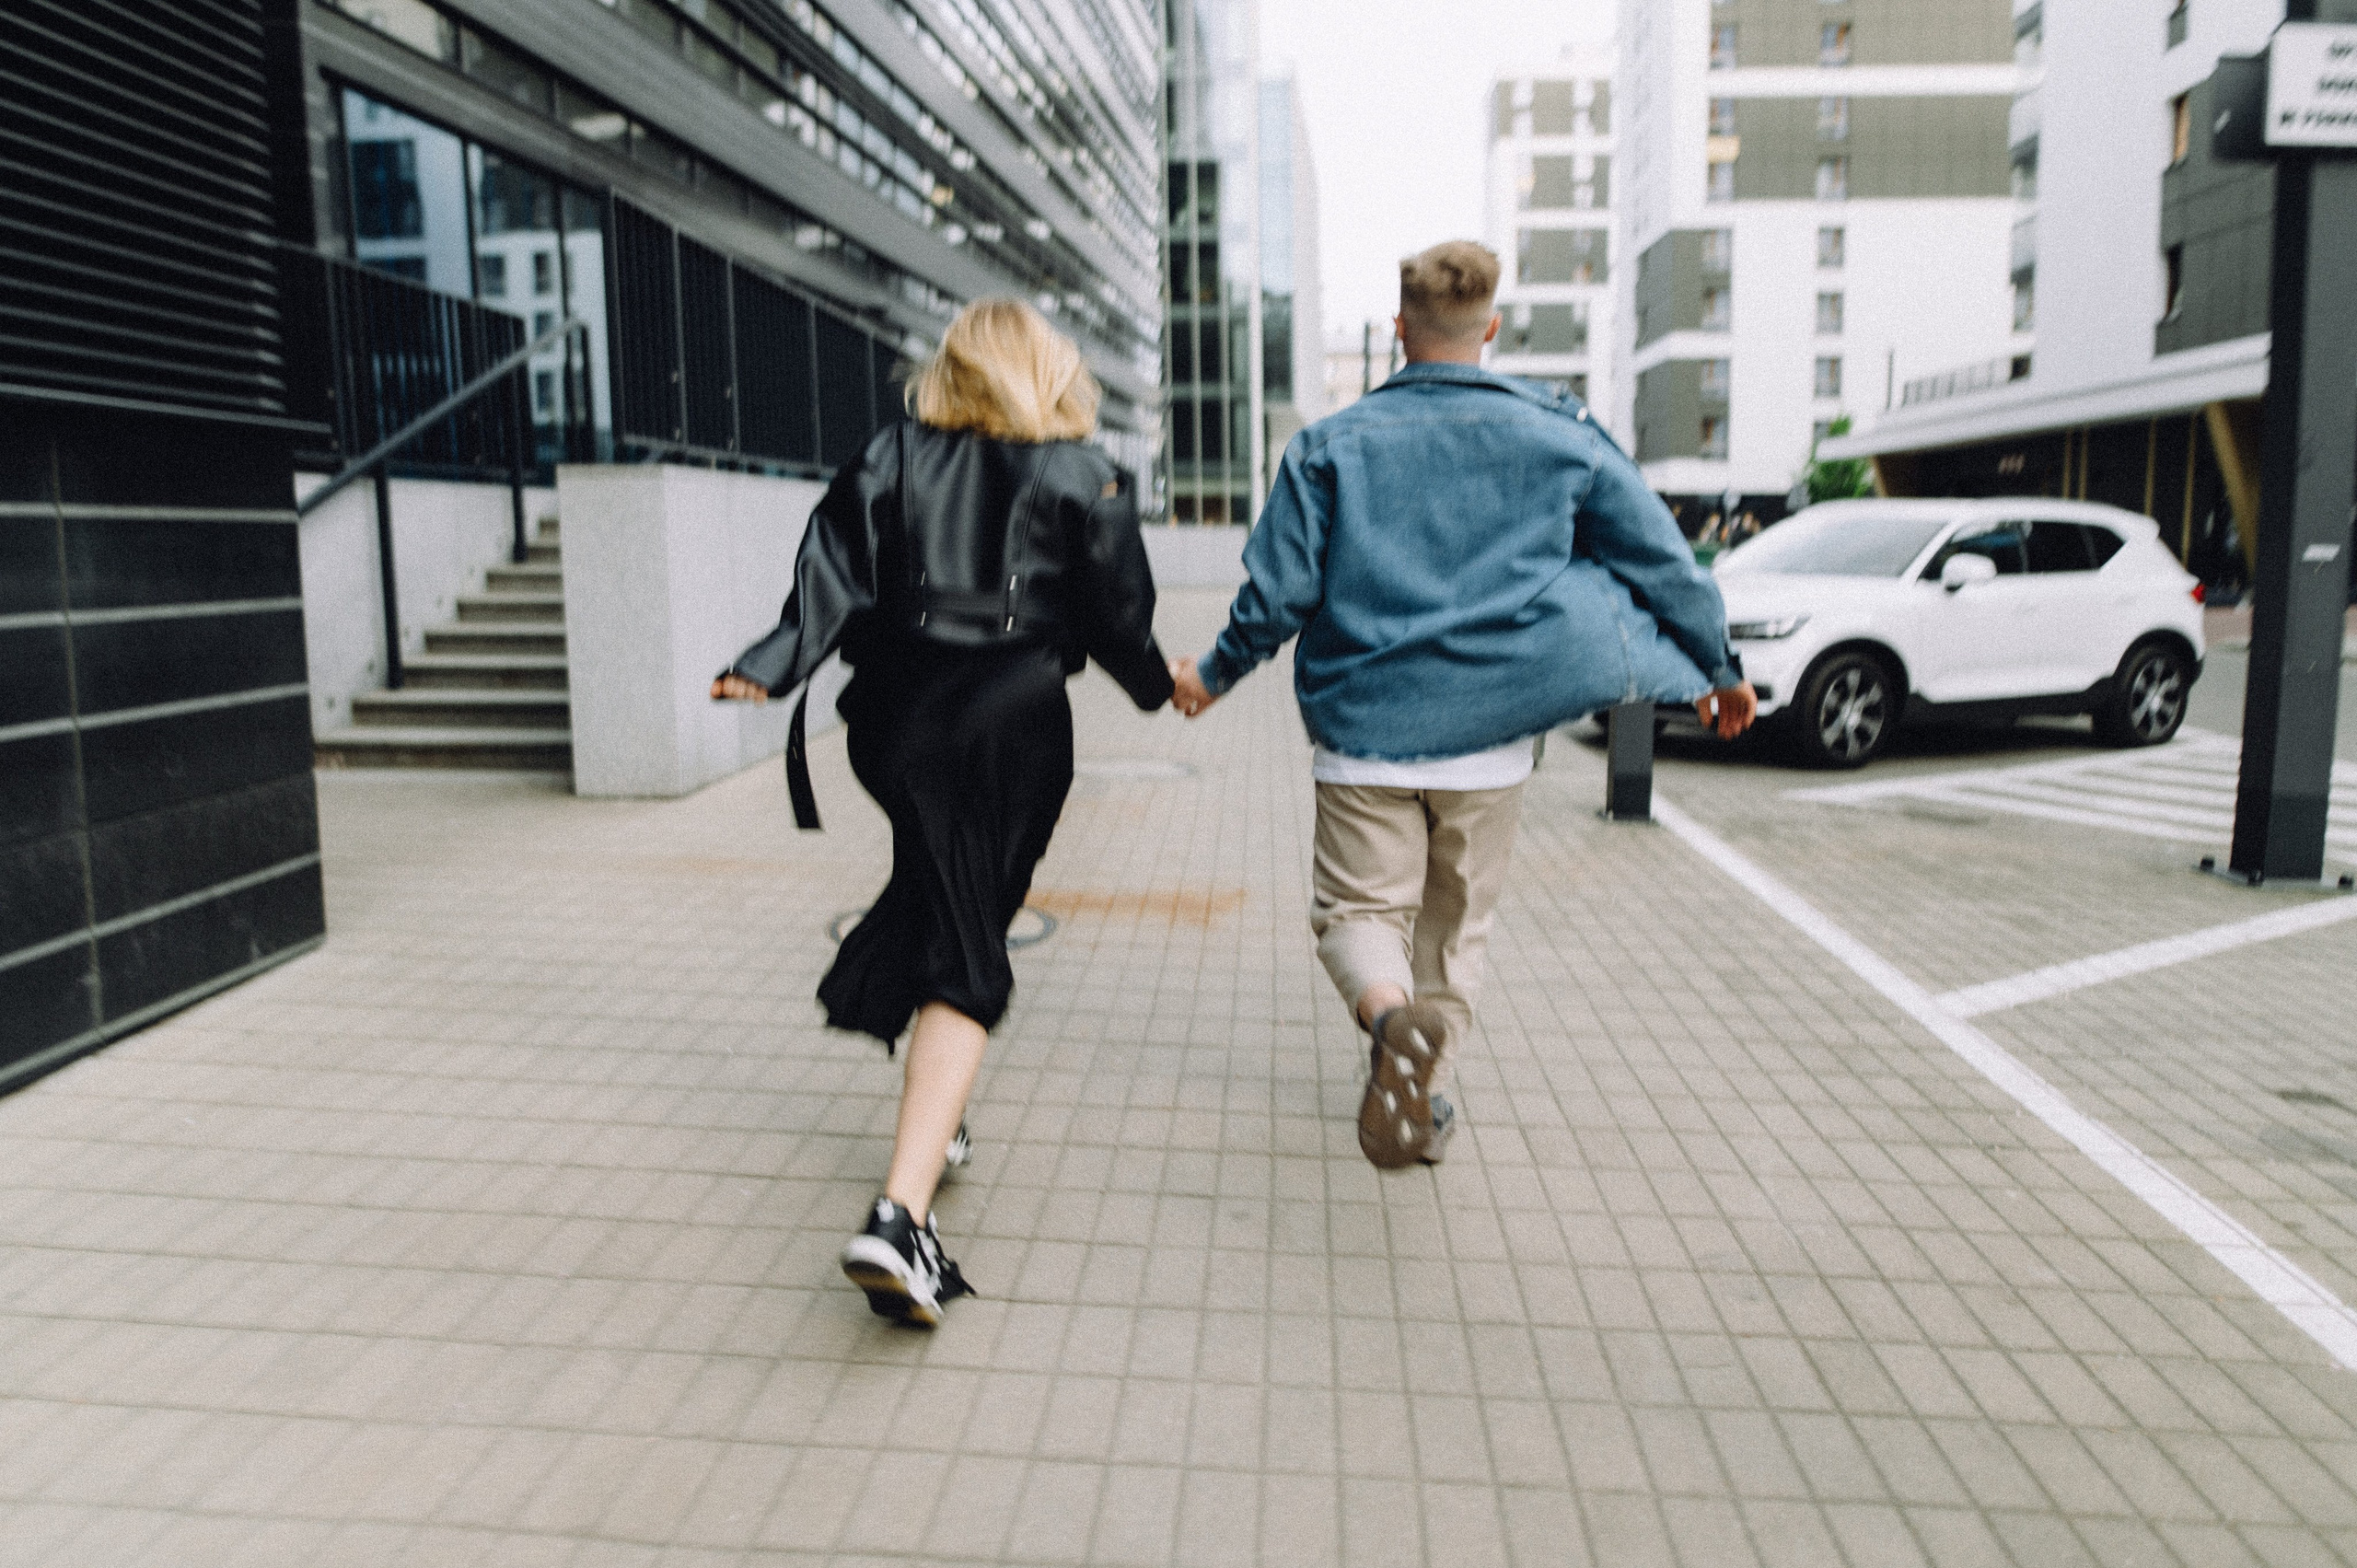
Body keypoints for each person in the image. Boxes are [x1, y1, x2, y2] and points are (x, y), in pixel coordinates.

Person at [1169, 240, 1755, 1168]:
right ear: (1490, 327)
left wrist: (1211, 673)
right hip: (1491, 741)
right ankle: (1427, 1094)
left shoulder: (1329, 446)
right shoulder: (1560, 432)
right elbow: (1659, 560)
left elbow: (1275, 596)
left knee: (1359, 914)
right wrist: (1717, 669)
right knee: (1453, 929)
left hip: (1364, 732)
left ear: (1400, 329)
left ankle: (1388, 1019)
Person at [714, 299, 1173, 1324]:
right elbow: (1119, 617)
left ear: (953, 369)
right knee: (968, 950)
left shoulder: (893, 452)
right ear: (1047, 370)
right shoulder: (1082, 471)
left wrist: (771, 662)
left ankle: (937, 1119)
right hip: (1007, 728)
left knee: (941, 901)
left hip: (895, 724)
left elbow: (830, 566)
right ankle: (899, 1218)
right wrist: (1162, 686)